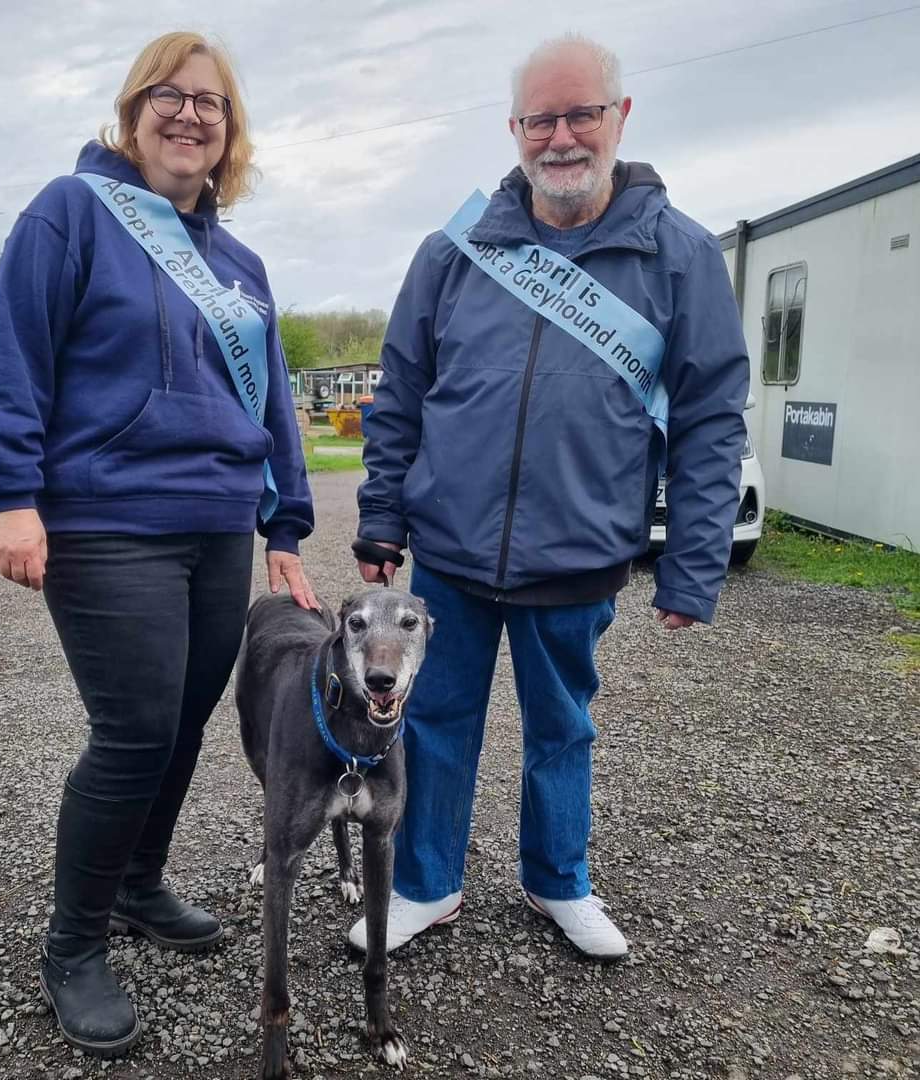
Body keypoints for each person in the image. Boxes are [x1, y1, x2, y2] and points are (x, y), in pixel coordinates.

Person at [352, 33, 749, 961]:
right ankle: (424, 884)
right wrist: (380, 516)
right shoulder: (454, 252)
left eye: (581, 115)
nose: (561, 137)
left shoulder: (680, 255)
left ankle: (557, 880)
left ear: (620, 119)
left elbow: (710, 418)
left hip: (578, 555)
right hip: (449, 555)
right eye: (542, 119)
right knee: (436, 724)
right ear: (515, 129)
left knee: (563, 729)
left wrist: (692, 567)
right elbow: (401, 390)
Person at [0, 31, 317, 1057]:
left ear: (229, 132)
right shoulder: (70, 213)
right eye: (169, 95)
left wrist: (283, 522)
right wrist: (10, 494)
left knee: (180, 724)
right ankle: (72, 946)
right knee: (130, 732)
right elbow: (15, 354)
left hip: (214, 526)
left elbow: (276, 405)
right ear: (131, 113)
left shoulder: (240, 263)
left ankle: (134, 885)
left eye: (212, 104)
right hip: (106, 519)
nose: (190, 115)